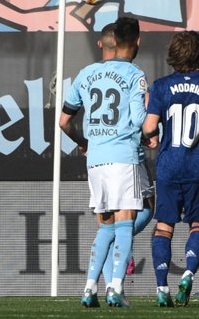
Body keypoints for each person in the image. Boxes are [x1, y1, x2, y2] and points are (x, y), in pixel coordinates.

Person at [60, 16, 148, 308]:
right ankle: (116, 289)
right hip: (123, 157)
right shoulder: (136, 75)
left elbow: (64, 122)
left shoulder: (86, 73)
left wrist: (84, 143)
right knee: (125, 225)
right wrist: (151, 131)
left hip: (95, 160)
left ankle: (89, 289)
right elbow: (138, 119)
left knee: (105, 227)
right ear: (136, 42)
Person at [142, 31, 199, 308]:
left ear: (173, 55)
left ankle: (161, 288)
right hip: (197, 167)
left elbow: (149, 128)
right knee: (198, 225)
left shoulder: (161, 86)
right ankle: (189, 274)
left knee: (164, 227)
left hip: (168, 167)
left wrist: (150, 135)